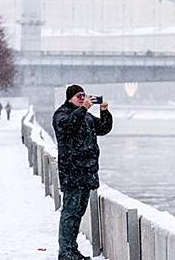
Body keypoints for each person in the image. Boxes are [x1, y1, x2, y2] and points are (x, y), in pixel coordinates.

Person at [52, 85, 113, 260]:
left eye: (84, 96)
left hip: (86, 173)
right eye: (79, 96)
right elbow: (69, 126)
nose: (82, 99)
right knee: (70, 213)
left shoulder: (85, 116)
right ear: (70, 97)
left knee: (78, 213)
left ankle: (72, 250)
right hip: (72, 173)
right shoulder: (62, 114)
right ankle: (65, 252)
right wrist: (84, 107)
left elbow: (103, 128)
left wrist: (104, 111)